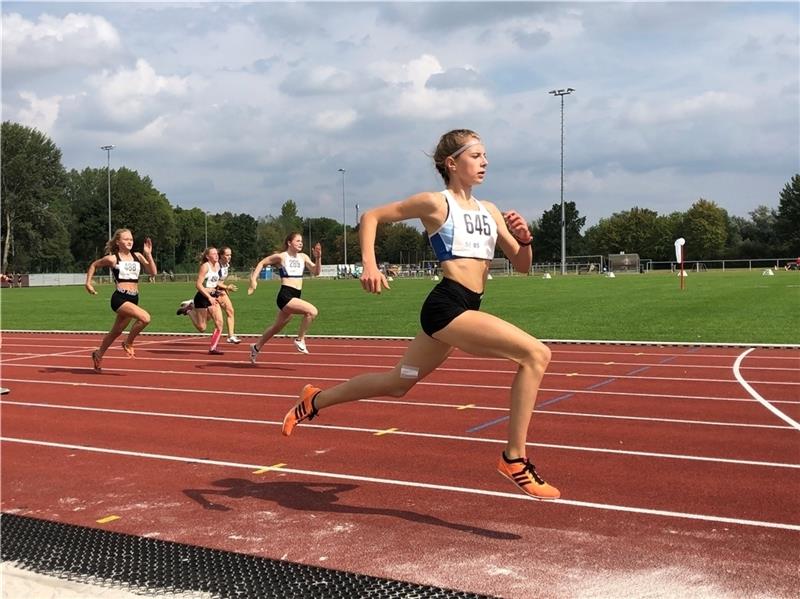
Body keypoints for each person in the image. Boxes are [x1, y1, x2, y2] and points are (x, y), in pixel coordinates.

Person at [280, 129, 559, 500]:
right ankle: (514, 459)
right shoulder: (435, 204)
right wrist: (369, 264)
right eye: (476, 156)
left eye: (485, 155)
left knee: (398, 383)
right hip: (446, 307)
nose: (485, 162)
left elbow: (522, 265)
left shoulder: (490, 211)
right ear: (452, 163)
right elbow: (373, 217)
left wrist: (525, 239)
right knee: (536, 354)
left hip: (465, 308)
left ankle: (314, 400)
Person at [85, 228, 157, 372]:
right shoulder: (113, 258)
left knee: (116, 332)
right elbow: (94, 265)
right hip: (119, 298)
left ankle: (98, 354)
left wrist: (148, 255)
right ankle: (128, 342)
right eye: (126, 239)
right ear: (118, 242)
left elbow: (153, 272)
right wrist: (88, 283)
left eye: (131, 239)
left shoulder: (137, 256)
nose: (129, 241)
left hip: (134, 298)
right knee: (145, 318)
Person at [247, 233, 322, 363]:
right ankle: (300, 339)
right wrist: (254, 280)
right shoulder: (281, 257)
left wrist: (318, 258)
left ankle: (256, 347)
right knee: (312, 311)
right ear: (289, 242)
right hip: (285, 296)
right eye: (298, 241)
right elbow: (262, 263)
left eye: (301, 241)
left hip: (296, 295)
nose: (301, 243)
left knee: (276, 327)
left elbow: (316, 272)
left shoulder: (303, 257)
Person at [177, 246, 240, 344]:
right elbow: (208, 283)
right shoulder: (212, 265)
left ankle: (230, 336)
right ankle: (192, 307)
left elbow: (217, 281)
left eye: (230, 255)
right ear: (221, 256)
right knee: (205, 325)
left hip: (218, 291)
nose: (229, 257)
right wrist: (225, 287)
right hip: (212, 293)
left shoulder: (225, 265)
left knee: (227, 312)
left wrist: (224, 288)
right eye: (227, 255)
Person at [184, 247, 228, 355]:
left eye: (217, 253)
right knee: (202, 328)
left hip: (213, 297)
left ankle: (213, 348)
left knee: (219, 323)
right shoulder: (205, 266)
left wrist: (223, 289)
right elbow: (198, 285)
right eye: (213, 254)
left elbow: (215, 282)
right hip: (202, 298)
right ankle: (189, 310)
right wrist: (209, 297)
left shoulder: (218, 266)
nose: (216, 255)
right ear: (208, 256)